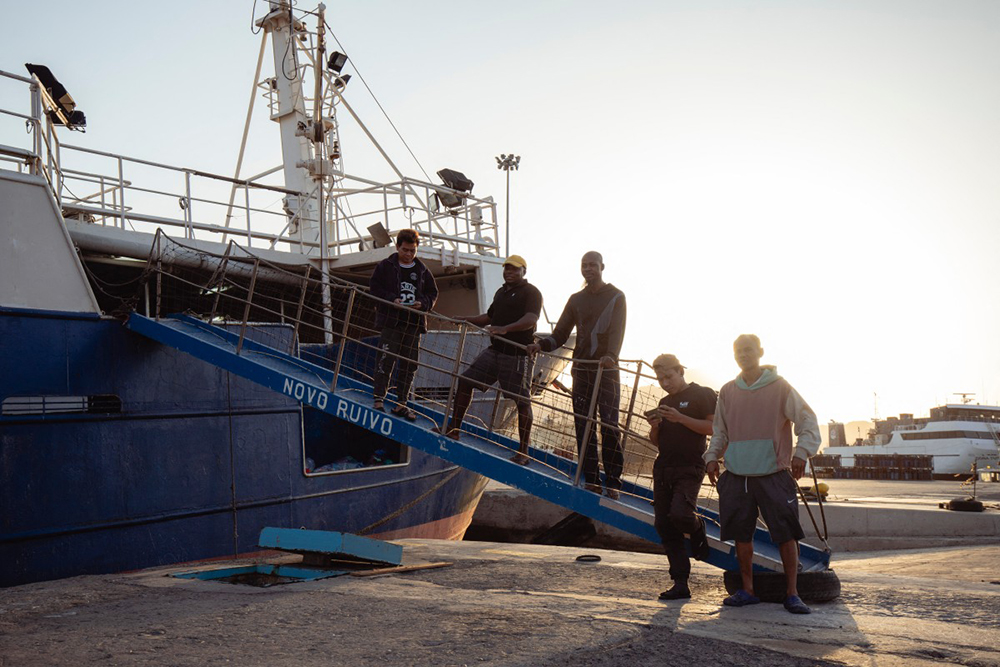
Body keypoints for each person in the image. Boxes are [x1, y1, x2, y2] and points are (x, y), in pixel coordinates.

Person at [704, 334, 821, 614]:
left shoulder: (780, 387)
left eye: (749, 350)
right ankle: (747, 590)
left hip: (774, 472)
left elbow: (807, 421)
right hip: (737, 474)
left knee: (786, 534)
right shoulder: (728, 391)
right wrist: (711, 457)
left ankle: (793, 593)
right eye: (739, 351)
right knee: (741, 535)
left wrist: (801, 453)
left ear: (760, 352)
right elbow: (720, 431)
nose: (744, 355)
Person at [527, 251, 627, 499]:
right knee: (583, 425)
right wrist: (541, 345)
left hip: (606, 370)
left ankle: (613, 481)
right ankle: (592, 479)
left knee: (609, 425)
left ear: (602, 267)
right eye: (584, 265)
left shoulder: (616, 296)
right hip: (581, 370)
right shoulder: (576, 299)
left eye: (593, 265)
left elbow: (617, 332)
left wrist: (611, 355)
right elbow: (561, 334)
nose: (588, 269)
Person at [442, 255, 542, 464]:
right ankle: (454, 429)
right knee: (465, 381)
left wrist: (506, 329)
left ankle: (523, 452)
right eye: (507, 268)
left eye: (514, 269)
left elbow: (531, 319)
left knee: (522, 402)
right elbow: (488, 318)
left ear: (524, 271)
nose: (509, 272)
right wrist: (464, 319)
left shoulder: (531, 292)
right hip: (495, 350)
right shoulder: (500, 292)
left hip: (517, 355)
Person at [645, 354, 716, 601]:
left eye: (669, 377)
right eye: (660, 379)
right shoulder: (664, 401)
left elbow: (713, 428)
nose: (665, 383)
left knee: (681, 515)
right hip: (663, 466)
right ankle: (680, 582)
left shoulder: (702, 394)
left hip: (690, 466)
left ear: (680, 371)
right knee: (663, 524)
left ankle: (697, 527)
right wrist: (655, 427)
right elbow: (656, 442)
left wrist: (680, 418)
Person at [368, 229, 438, 420]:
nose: (408, 254)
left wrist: (422, 304)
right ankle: (379, 399)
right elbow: (374, 288)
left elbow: (433, 293)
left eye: (412, 251)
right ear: (397, 247)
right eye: (405, 250)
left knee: (410, 364)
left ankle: (402, 403)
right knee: (385, 359)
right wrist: (392, 299)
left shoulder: (422, 269)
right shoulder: (385, 266)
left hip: (413, 323)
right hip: (391, 322)